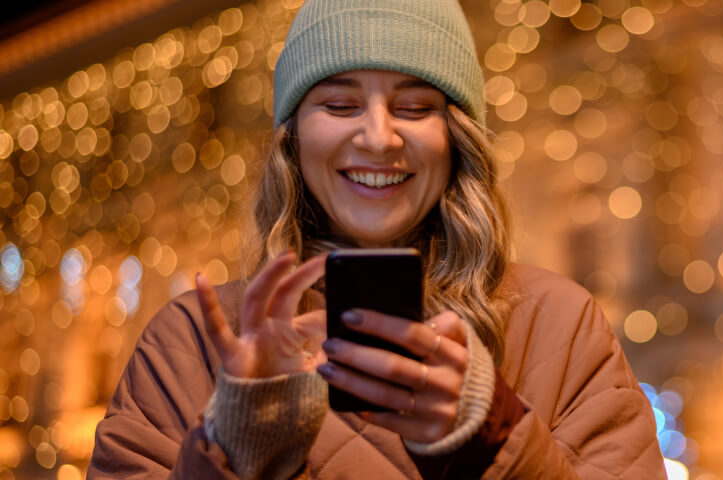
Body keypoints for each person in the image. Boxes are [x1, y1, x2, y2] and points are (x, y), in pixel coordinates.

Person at [89, 0, 666, 478]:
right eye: (339, 104)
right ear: (292, 139)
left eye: (415, 107)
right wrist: (238, 440)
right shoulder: (186, 342)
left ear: (457, 137)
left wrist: (491, 433)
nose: (378, 137)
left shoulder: (556, 324)